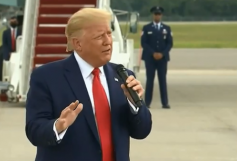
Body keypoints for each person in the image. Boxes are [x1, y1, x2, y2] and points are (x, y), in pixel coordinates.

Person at [25, 8, 152, 161]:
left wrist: (135, 106)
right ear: (78, 44)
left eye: (109, 33)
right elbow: (34, 130)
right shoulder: (47, 77)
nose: (108, 41)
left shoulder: (124, 77)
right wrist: (58, 126)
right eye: (99, 36)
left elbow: (142, 131)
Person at [141, 6, 173, 109]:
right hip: (150, 58)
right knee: (149, 80)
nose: (157, 16)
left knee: (162, 80)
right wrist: (153, 53)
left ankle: (165, 103)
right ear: (152, 15)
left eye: (159, 14)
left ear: (161, 15)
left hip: (162, 59)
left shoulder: (166, 28)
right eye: (155, 14)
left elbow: (169, 43)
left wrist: (162, 54)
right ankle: (147, 103)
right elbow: (144, 43)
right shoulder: (147, 28)